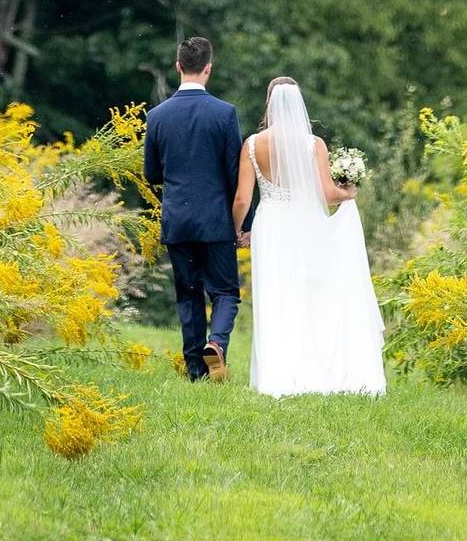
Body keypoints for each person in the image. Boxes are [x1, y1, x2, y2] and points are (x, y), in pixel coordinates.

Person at [232, 77, 386, 398]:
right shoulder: (313, 144)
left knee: (273, 294)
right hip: (306, 224)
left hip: (270, 224)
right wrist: (350, 189)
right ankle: (313, 367)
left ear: (269, 103)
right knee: (309, 295)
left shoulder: (252, 145)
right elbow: (329, 195)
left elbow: (242, 200)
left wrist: (238, 230)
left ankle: (275, 374)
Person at [143, 37, 243, 382]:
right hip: (215, 220)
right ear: (208, 68)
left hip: (178, 220)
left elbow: (151, 174)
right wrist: (244, 223)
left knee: (188, 296)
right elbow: (235, 175)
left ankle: (195, 369)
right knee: (225, 291)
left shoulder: (156, 116)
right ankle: (216, 343)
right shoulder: (225, 114)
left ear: (178, 67)